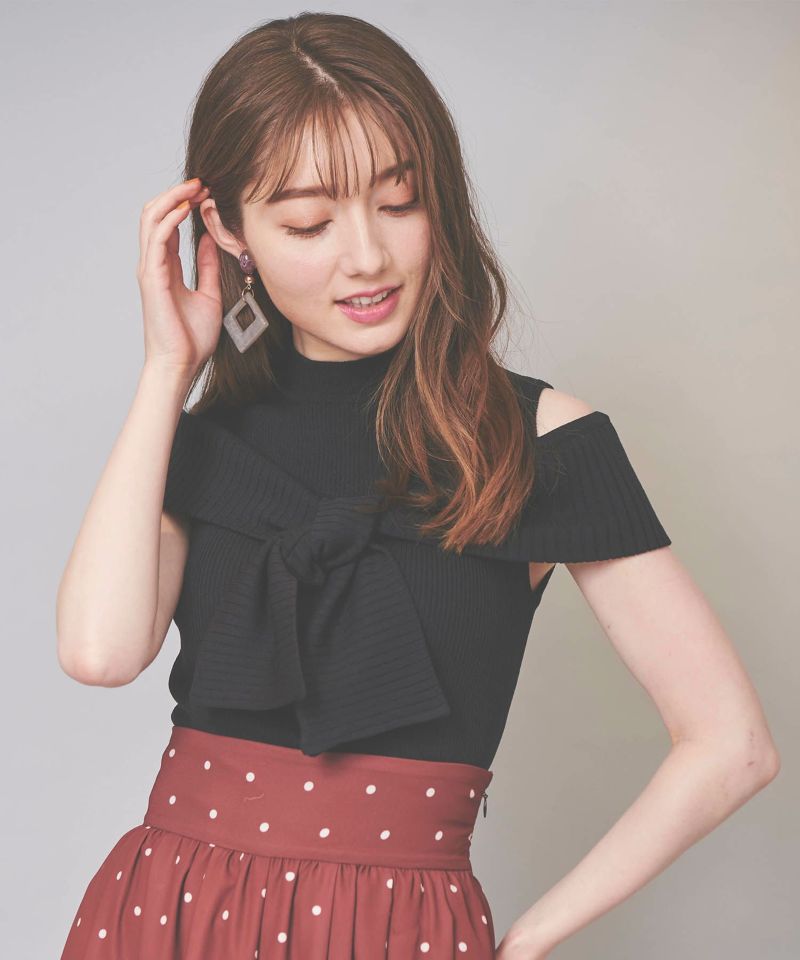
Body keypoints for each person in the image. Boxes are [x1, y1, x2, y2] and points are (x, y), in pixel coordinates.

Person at [56, 12, 780, 960]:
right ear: (228, 229)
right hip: (174, 912)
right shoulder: (205, 438)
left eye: (400, 201)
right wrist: (168, 371)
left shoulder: (537, 440)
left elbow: (732, 745)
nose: (368, 256)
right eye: (310, 223)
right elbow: (101, 653)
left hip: (397, 929)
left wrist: (529, 939)